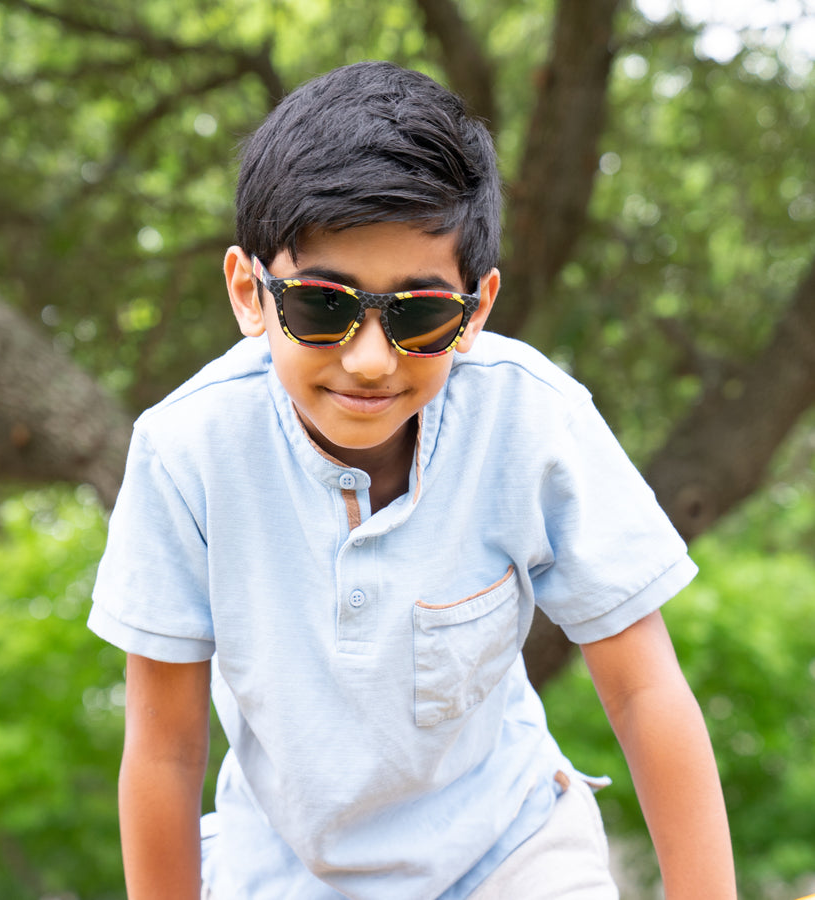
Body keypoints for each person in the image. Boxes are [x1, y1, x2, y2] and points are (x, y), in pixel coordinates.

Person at [89, 61, 737, 900]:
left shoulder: (532, 420)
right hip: (283, 869)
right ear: (250, 294)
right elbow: (166, 753)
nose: (369, 360)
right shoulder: (186, 450)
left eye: (419, 313)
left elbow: (647, 692)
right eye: (323, 305)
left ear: (476, 310)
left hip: (510, 852)